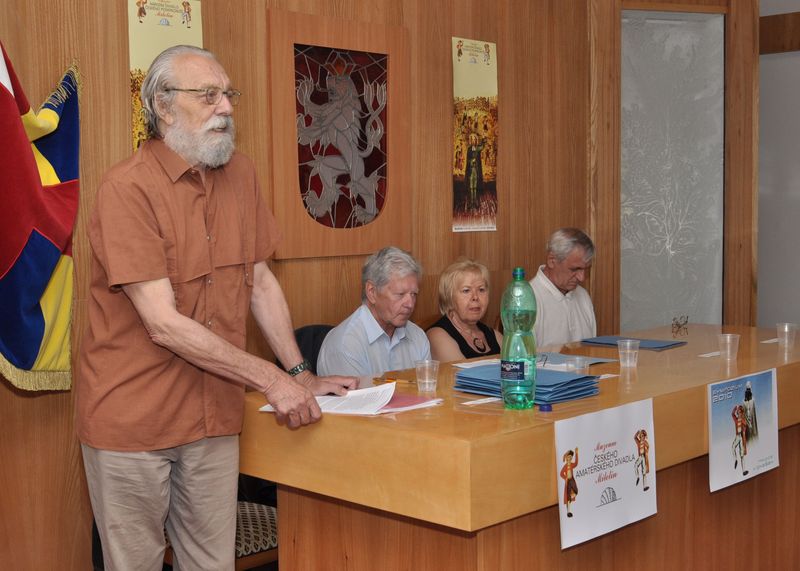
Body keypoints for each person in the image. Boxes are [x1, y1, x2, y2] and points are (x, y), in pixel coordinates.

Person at [75, 45, 357, 571]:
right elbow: (163, 323)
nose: (225, 107)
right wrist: (271, 379)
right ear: (163, 106)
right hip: (135, 421)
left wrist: (300, 372)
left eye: (228, 94)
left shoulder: (241, 174)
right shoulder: (126, 189)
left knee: (212, 564)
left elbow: (261, 283)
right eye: (208, 95)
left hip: (214, 417)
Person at [317, 246, 431, 377]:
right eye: (400, 294)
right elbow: (358, 392)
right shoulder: (346, 345)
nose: (410, 304)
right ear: (372, 292)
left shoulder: (417, 336)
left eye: (414, 294)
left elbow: (428, 387)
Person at [530, 227, 597, 348]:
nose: (581, 278)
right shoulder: (528, 299)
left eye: (586, 269)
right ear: (552, 260)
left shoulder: (583, 295)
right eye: (575, 269)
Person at [426, 258, 502, 361]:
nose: (475, 297)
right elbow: (462, 371)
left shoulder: (495, 335)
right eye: (466, 290)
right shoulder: (437, 336)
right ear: (449, 297)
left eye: (481, 290)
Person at [560, 447, 579, 518]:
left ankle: (572, 496)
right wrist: (565, 478)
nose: (569, 458)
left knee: (575, 490)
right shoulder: (565, 466)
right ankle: (568, 511)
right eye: (568, 457)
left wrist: (576, 453)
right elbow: (561, 473)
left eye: (571, 457)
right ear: (566, 458)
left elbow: (576, 463)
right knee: (568, 497)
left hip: (572, 480)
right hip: (568, 481)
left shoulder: (571, 464)